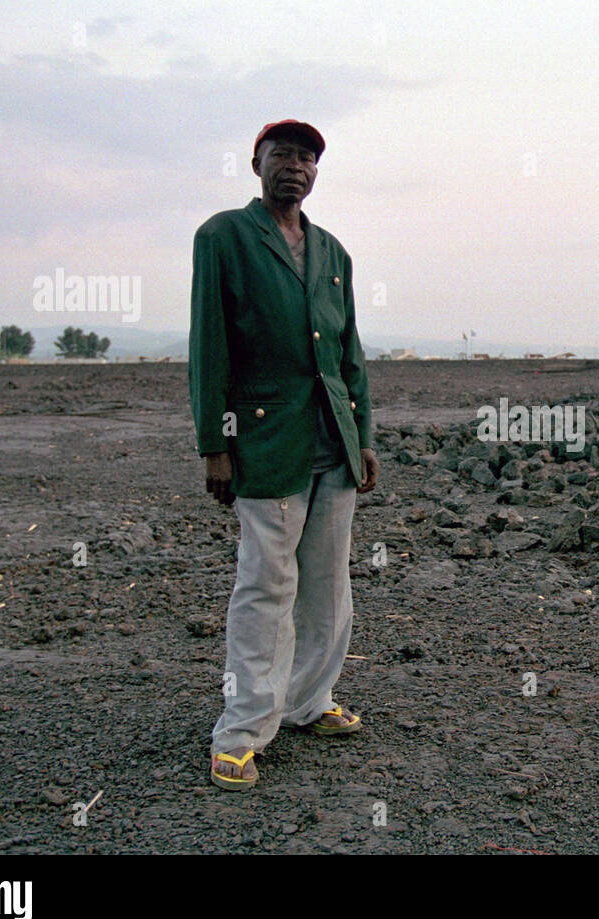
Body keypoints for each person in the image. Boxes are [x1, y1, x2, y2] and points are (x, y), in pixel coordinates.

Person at [189, 119, 381, 790]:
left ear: (316, 172)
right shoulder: (224, 238)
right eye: (282, 155)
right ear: (256, 163)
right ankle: (242, 730)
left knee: (329, 586)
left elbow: (349, 352)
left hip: (332, 439)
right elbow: (210, 347)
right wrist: (216, 444)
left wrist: (364, 437)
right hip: (265, 442)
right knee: (265, 586)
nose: (294, 167)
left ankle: (308, 703)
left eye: (306, 158)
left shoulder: (333, 252)